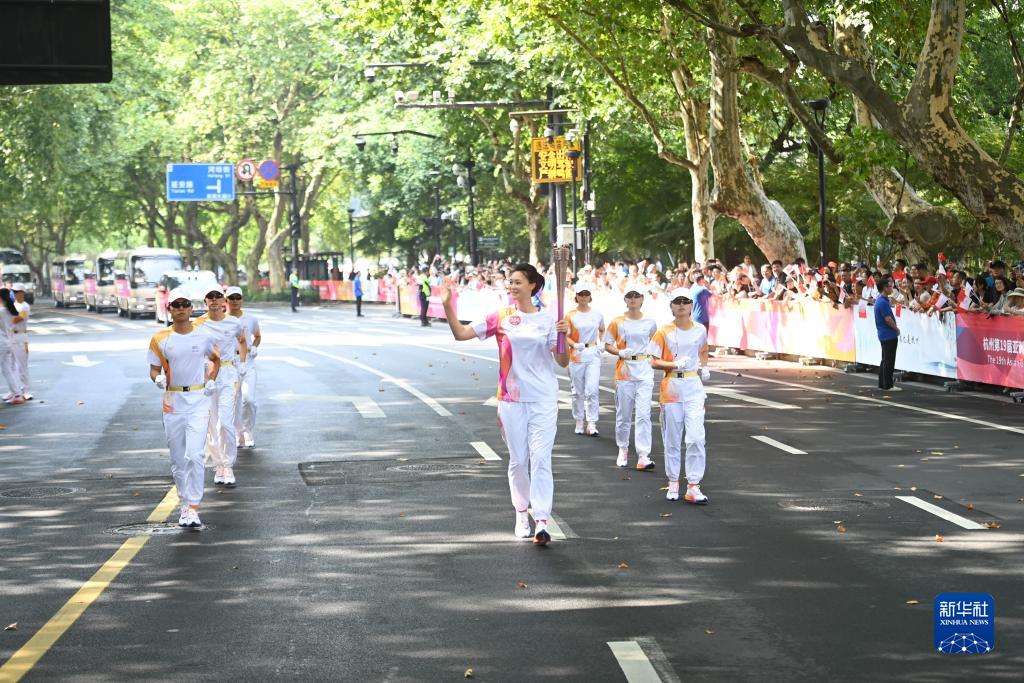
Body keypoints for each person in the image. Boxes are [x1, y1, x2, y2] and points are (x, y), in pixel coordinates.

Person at [439, 263, 570, 546]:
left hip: (544, 397)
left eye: (517, 282)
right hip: (511, 399)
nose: (511, 286)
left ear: (533, 285)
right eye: (509, 282)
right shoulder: (501, 317)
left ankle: (542, 520)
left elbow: (562, 361)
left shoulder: (549, 320)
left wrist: (564, 336)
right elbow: (461, 335)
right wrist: (448, 306)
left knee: (541, 458)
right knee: (520, 460)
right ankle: (521, 513)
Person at [148, 288, 220, 528]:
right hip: (173, 402)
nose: (180, 308)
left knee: (195, 455)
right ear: (170, 309)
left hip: (198, 399)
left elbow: (215, 359)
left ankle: (192, 506)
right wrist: (157, 379)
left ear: (191, 308)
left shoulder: (204, 336)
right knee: (179, 459)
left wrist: (210, 379)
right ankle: (183, 504)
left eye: (185, 304)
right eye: (175, 305)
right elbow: (154, 368)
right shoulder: (160, 339)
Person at [650, 289, 711, 504]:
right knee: (673, 438)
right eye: (677, 302)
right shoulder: (663, 332)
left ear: (691, 306)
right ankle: (674, 481)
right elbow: (653, 360)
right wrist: (674, 364)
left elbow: (703, 349)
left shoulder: (700, 330)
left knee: (696, 437)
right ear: (672, 306)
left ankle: (693, 485)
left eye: (686, 301)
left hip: (694, 385)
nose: (682, 305)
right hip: (672, 386)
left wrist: (704, 367)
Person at [192, 285, 247, 488]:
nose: (214, 300)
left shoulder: (233, 322)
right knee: (211, 424)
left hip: (228, 374)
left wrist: (241, 362)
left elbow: (242, 341)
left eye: (217, 296)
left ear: (223, 300)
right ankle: (218, 465)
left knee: (226, 421)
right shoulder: (198, 325)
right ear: (205, 301)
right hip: (207, 375)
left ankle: (228, 464)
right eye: (210, 297)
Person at [604, 286, 658, 470]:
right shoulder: (617, 321)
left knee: (643, 414)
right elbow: (607, 344)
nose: (633, 299)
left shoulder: (650, 322)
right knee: (624, 414)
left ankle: (643, 455)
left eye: (636, 296)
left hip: (644, 369)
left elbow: (655, 345)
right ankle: (623, 448)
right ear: (625, 299)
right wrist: (620, 351)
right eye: (630, 296)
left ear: (642, 299)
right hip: (625, 370)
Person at [565, 282, 605, 436]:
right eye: (580, 294)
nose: (583, 297)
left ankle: (592, 423)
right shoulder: (570, 315)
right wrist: (575, 345)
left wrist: (602, 343)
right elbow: (565, 336)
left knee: (592, 390)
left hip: (593, 353)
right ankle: (579, 420)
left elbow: (602, 330)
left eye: (586, 294)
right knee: (577, 391)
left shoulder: (597, 314)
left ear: (590, 296)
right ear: (576, 296)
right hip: (577, 354)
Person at [226, 286, 260, 449]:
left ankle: (247, 430)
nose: (234, 301)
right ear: (226, 300)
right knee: (234, 400)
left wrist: (254, 346)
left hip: (248, 362)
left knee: (248, 399)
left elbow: (258, 336)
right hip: (229, 362)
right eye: (231, 298)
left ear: (242, 300)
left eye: (237, 298)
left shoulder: (250, 319)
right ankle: (237, 432)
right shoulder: (222, 320)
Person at [874, 278, 900, 391]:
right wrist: (896, 329)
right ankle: (888, 385)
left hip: (883, 334)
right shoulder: (882, 302)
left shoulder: (881, 300)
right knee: (889, 360)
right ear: (885, 288)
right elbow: (888, 319)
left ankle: (882, 383)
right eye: (890, 286)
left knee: (885, 359)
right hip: (888, 334)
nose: (891, 288)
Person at [0, 288, 25, 405]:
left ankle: (17, 394)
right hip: (7, 342)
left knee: (6, 370)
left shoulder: (2, 311)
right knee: (7, 370)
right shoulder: (11, 311)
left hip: (2, 343)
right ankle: (16, 393)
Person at [10, 283, 30, 400]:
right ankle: (14, 390)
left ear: (22, 293)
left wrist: (5, 318)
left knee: (22, 366)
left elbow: (19, 319)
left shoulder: (25, 306)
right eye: (14, 292)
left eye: (17, 292)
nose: (15, 294)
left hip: (20, 337)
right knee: (11, 366)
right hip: (11, 337)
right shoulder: (13, 305)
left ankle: (25, 390)